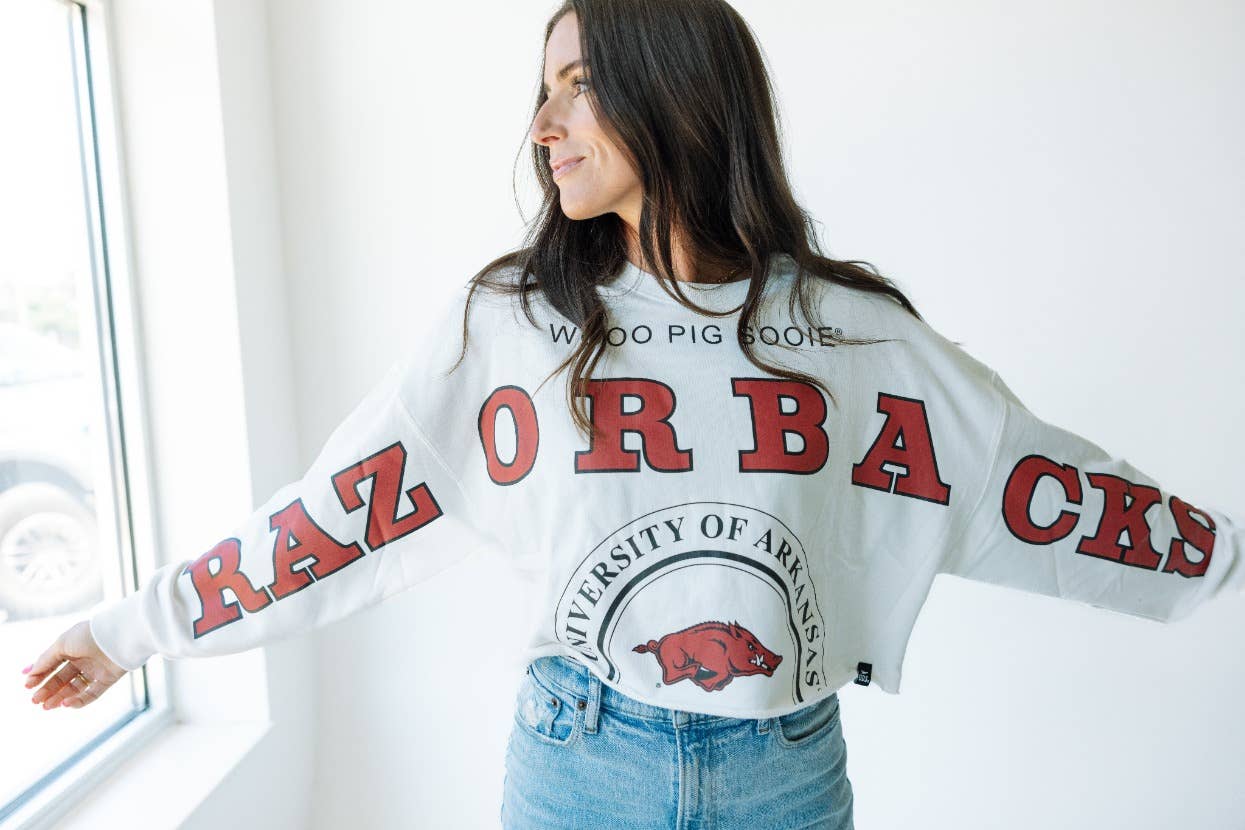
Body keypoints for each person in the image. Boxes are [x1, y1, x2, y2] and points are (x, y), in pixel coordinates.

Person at [21, 1, 1243, 828]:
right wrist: (134, 628)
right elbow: (344, 514)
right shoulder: (511, 321)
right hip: (578, 759)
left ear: (673, 91)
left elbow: (1034, 483)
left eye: (577, 85)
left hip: (786, 770)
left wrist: (1225, 555)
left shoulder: (850, 333)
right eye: (540, 92)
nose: (542, 125)